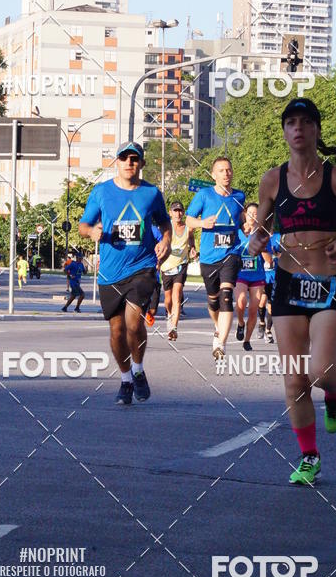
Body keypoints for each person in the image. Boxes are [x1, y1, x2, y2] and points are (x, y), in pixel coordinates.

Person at [248, 98, 336, 486]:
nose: (298, 129)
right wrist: (257, 241)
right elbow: (260, 228)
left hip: (329, 283)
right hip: (289, 284)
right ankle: (309, 456)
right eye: (291, 122)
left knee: (321, 370)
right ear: (284, 131)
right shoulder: (272, 180)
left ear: (317, 130)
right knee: (294, 379)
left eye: (306, 122)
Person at [78, 141, 171, 406]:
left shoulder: (151, 193)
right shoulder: (101, 192)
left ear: (141, 163)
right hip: (110, 272)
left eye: (134, 158)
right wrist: (91, 231)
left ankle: (138, 369)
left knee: (133, 323)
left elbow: (164, 222)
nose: (129, 163)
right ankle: (126, 378)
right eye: (124, 158)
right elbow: (83, 225)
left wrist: (166, 240)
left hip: (142, 266)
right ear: (116, 162)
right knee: (117, 330)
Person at [186, 157, 245, 360]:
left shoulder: (239, 196)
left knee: (226, 295)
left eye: (228, 170)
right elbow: (188, 220)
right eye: (221, 170)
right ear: (213, 175)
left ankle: (221, 343)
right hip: (209, 257)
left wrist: (246, 225)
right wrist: (202, 223)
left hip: (231, 253)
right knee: (213, 300)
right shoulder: (204, 195)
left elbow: (241, 219)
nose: (226, 173)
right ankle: (217, 327)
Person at [160, 201, 196, 341]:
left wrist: (192, 248)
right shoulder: (166, 228)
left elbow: (191, 239)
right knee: (168, 299)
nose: (178, 214)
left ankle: (174, 328)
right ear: (170, 213)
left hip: (181, 265)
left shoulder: (188, 228)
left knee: (177, 295)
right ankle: (170, 314)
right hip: (166, 266)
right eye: (175, 211)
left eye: (180, 211)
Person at [235, 203, 266, 351]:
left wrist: (263, 247)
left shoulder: (262, 233)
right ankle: (240, 323)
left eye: (255, 213)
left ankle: (247, 340)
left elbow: (268, 258)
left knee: (253, 309)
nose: (252, 216)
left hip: (257, 275)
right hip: (241, 273)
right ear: (244, 214)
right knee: (241, 302)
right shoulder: (237, 231)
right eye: (250, 213)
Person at [259, 231, 280, 344]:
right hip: (262, 276)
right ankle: (262, 322)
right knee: (261, 302)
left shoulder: (278, 237)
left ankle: (268, 331)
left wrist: (276, 254)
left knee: (271, 305)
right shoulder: (258, 236)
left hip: (274, 276)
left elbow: (285, 254)